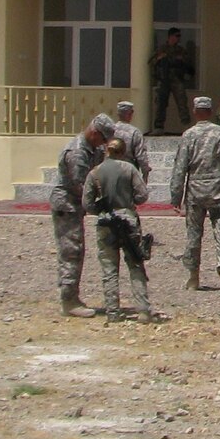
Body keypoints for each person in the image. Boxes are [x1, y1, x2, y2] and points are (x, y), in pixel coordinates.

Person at [168, 95, 220, 293]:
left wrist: (176, 196)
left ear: (195, 111)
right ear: (210, 112)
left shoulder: (189, 135)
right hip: (218, 190)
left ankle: (193, 277)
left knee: (194, 234)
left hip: (196, 191)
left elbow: (180, 167)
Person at [82, 136, 157, 321]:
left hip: (106, 222)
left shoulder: (95, 173)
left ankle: (112, 312)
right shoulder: (129, 169)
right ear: (123, 152)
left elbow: (87, 203)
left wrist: (100, 210)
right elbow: (142, 195)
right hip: (128, 220)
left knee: (109, 269)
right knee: (136, 265)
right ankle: (143, 310)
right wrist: (130, 201)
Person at [50, 113, 115, 318]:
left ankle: (72, 296)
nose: (104, 144)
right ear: (94, 133)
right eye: (103, 139)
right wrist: (99, 205)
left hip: (75, 205)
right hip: (67, 205)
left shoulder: (91, 148)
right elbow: (81, 186)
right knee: (71, 251)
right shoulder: (77, 153)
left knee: (77, 250)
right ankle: (69, 300)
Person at [148, 29, 195, 134]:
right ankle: (158, 127)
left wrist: (181, 60)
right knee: (161, 103)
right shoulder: (162, 49)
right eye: (176, 36)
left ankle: (186, 126)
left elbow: (189, 64)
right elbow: (151, 62)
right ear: (170, 37)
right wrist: (160, 58)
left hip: (177, 79)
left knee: (182, 103)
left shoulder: (181, 50)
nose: (178, 38)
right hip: (164, 80)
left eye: (179, 36)